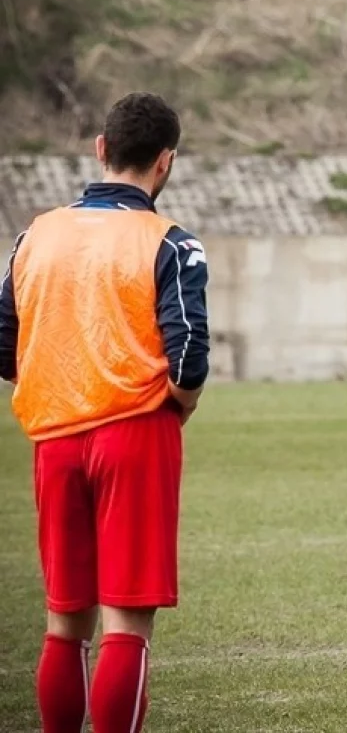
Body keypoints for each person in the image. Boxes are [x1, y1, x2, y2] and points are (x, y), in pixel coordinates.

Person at [0, 92, 210, 733]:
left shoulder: (35, 234)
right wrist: (179, 405)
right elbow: (188, 358)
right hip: (133, 434)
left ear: (100, 148)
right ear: (166, 162)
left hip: (55, 440)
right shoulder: (169, 242)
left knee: (65, 620)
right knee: (127, 618)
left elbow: (2, 343)